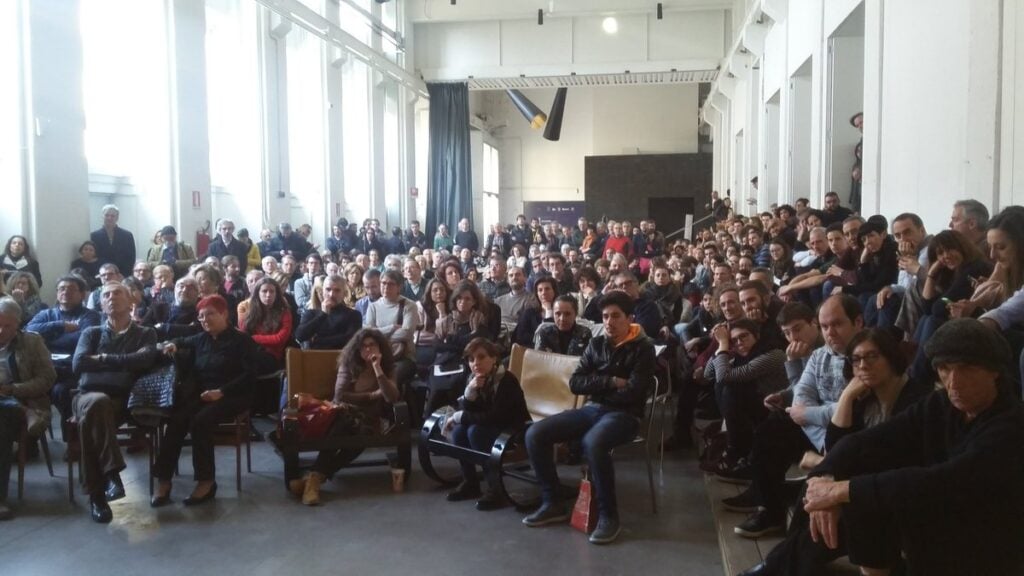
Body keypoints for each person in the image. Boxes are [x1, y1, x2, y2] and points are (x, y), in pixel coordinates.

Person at [798, 319, 1024, 576]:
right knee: (856, 488)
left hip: (985, 540)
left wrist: (841, 490)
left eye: (967, 368)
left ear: (994, 370)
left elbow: (944, 482)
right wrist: (825, 473)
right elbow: (869, 440)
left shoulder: (1011, 424)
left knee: (862, 491)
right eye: (944, 369)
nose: (953, 382)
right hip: (936, 518)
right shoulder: (941, 404)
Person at [741, 328, 930, 576]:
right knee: (814, 489)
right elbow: (837, 447)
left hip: (900, 493)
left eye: (872, 356)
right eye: (856, 359)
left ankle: (777, 566)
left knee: (833, 510)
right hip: (863, 483)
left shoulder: (916, 400)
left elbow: (894, 462)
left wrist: (831, 479)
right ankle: (784, 562)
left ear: (891, 358)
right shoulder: (865, 399)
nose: (863, 365)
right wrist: (847, 397)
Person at [523, 291, 655, 545]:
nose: (609, 322)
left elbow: (635, 392)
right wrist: (611, 382)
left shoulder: (643, 348)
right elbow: (575, 383)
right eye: (605, 316)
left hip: (626, 415)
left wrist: (599, 387)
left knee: (593, 442)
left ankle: (608, 516)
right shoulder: (597, 344)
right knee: (535, 434)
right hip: (593, 409)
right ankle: (553, 502)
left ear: (630, 318)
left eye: (616, 316)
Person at [726, 295, 863, 539]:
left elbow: (846, 407)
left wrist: (804, 414)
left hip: (848, 433)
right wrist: (789, 392)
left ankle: (771, 496)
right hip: (819, 428)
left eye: (837, 324)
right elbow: (802, 393)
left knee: (777, 423)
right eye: (825, 326)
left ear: (858, 322)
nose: (830, 332)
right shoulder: (821, 353)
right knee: (771, 428)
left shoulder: (864, 356)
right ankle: (769, 505)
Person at [152, 295, 264, 508]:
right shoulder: (200, 339)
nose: (205, 320)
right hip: (203, 394)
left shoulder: (242, 341)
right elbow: (178, 341)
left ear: (224, 314)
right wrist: (173, 345)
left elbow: (250, 375)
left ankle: (206, 481)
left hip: (234, 394)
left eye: (210, 314)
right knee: (176, 419)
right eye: (201, 317)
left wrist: (221, 392)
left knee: (200, 421)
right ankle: (164, 480)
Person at [72, 282, 159, 523]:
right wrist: (124, 362)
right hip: (86, 396)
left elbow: (144, 360)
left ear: (131, 300)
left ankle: (98, 495)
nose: (111, 298)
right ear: (101, 304)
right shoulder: (92, 333)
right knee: (97, 404)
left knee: (89, 423)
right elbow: (78, 364)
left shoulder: (145, 333)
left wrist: (102, 358)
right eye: (106, 295)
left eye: (117, 293)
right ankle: (110, 475)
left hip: (123, 401)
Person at [288, 328, 401, 505]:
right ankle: (315, 480)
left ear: (380, 347)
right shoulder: (349, 364)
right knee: (345, 423)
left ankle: (312, 479)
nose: (368, 349)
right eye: (363, 346)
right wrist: (371, 396)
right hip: (342, 414)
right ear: (357, 349)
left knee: (360, 436)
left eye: (372, 345)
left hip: (368, 420)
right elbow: (340, 395)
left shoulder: (387, 366)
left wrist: (378, 370)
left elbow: (392, 397)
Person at [444, 337, 529, 510]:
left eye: (481, 357)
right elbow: (472, 411)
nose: (476, 363)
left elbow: (496, 416)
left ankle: (494, 488)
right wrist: (469, 393)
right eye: (471, 359)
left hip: (512, 430)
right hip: (490, 427)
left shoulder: (506, 381)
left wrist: (462, 416)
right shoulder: (475, 379)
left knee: (475, 432)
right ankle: (470, 482)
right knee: (461, 432)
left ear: (494, 358)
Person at [705, 318, 787, 474]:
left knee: (730, 388)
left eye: (744, 336)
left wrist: (723, 345)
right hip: (757, 407)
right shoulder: (738, 356)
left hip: (776, 409)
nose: (739, 342)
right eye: (734, 340)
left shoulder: (772, 355)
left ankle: (735, 450)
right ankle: (734, 446)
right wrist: (720, 344)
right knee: (723, 386)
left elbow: (723, 375)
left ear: (756, 335)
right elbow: (708, 373)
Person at [0, 297, 56, 520]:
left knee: (1, 425)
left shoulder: (32, 342)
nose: (0, 330)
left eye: (7, 326)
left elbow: (47, 378)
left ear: (18, 324)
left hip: (23, 399)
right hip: (14, 407)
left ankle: (0, 498)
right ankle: (22, 412)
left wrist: (12, 390)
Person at [26, 275, 102, 424]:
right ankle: (30, 438)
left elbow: (82, 339)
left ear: (82, 294)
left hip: (70, 371)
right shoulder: (47, 314)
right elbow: (29, 332)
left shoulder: (90, 315)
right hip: (45, 369)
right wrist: (60, 326)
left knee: (61, 392)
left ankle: (72, 439)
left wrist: (47, 338)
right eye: (62, 289)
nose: (65, 292)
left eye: (72, 289)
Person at [362, 270, 418, 389]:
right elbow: (368, 334)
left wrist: (378, 333)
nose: (386, 287)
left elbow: (406, 333)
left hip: (402, 357)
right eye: (383, 283)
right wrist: (391, 328)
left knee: (389, 380)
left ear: (399, 287)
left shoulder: (409, 305)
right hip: (377, 356)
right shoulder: (373, 307)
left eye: (391, 284)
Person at [295, 274, 361, 351]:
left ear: (344, 293)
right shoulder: (311, 314)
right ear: (322, 292)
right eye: (328, 289)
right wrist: (323, 314)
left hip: (343, 359)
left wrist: (317, 341)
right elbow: (300, 336)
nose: (331, 294)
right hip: (314, 359)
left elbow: (351, 340)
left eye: (337, 290)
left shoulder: (353, 315)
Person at [241, 277, 293, 367]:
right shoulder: (250, 310)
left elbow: (280, 338)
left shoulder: (284, 312)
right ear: (258, 293)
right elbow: (244, 334)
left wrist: (254, 338)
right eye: (264, 291)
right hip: (252, 350)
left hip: (273, 354)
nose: (268, 295)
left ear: (276, 294)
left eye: (272, 291)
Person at [90, 205, 136, 281]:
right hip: (102, 275)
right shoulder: (94, 236)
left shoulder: (127, 235)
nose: (109, 218)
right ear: (102, 216)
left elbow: (131, 257)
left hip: (122, 275)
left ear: (117, 218)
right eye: (107, 215)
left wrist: (123, 275)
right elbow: (94, 257)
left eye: (112, 216)